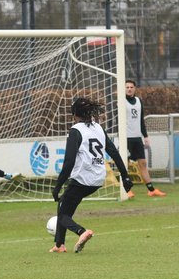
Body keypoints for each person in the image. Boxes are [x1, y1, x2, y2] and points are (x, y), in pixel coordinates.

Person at [50, 97, 132, 254]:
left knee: (63, 213)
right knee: (65, 206)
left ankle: (82, 232)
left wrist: (57, 186)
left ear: (74, 113)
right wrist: (125, 176)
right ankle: (59, 245)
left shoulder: (76, 131)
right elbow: (113, 152)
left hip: (82, 179)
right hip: (97, 179)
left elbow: (69, 162)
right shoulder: (98, 128)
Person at [124, 80, 165, 198]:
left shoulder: (138, 101)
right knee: (125, 164)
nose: (129, 89)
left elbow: (141, 120)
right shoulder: (121, 101)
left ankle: (151, 190)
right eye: (127, 87)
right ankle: (126, 190)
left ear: (135, 88)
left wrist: (145, 136)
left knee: (143, 163)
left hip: (137, 138)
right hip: (126, 138)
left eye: (131, 87)